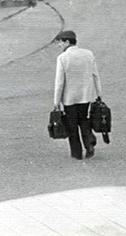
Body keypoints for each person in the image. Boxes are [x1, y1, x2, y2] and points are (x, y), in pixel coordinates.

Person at [53, 30, 102, 160]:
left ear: (67, 42)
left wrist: (56, 101)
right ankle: (89, 145)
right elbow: (95, 75)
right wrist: (99, 93)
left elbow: (59, 82)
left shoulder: (62, 58)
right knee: (84, 121)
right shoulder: (88, 54)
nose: (59, 46)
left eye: (60, 43)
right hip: (86, 96)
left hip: (69, 98)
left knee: (72, 125)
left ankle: (77, 153)